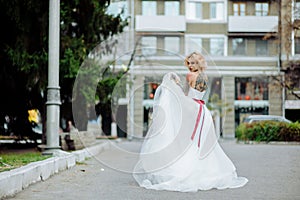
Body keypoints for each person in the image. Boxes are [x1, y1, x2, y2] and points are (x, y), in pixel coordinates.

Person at [133, 52, 248, 192]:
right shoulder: (204, 76)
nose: (190, 66)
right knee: (203, 144)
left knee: (190, 142)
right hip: (204, 111)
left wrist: (172, 83)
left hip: (194, 110)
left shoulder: (190, 76)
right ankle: (210, 173)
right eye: (189, 63)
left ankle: (191, 171)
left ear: (199, 63)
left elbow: (185, 96)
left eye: (193, 63)